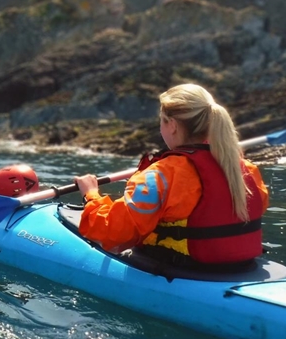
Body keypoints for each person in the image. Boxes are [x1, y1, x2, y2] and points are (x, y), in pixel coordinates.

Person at [74, 84, 269, 267]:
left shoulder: (159, 175)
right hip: (242, 265)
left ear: (172, 125)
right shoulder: (245, 169)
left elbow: (114, 234)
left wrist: (91, 195)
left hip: (189, 269)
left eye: (162, 121)